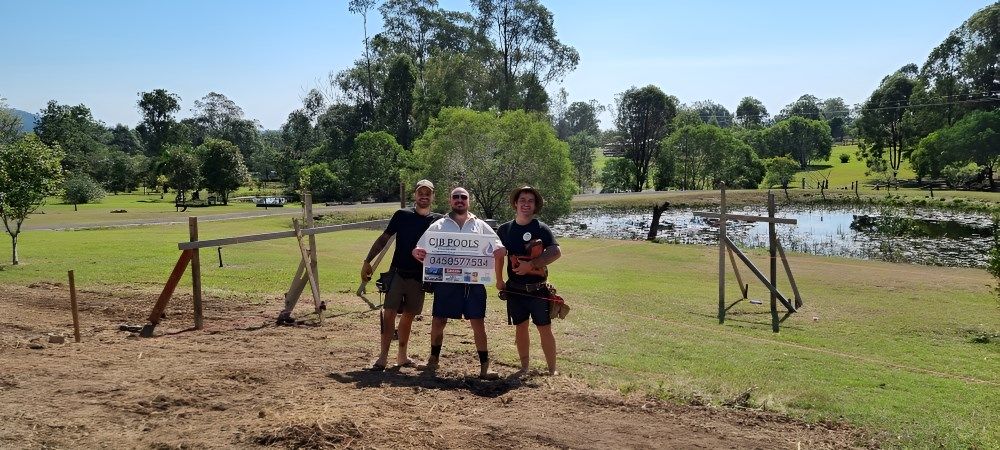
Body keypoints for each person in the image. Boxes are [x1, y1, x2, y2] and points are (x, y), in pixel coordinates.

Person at [411, 187, 505, 379]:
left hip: (474, 283)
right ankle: (433, 360)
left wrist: (500, 250)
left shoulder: (481, 225)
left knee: (478, 323)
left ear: (469, 201)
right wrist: (417, 252)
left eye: (463, 197)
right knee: (438, 321)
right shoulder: (438, 225)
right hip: (447, 283)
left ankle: (485, 366)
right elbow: (420, 248)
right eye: (456, 197)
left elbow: (498, 247)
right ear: (450, 201)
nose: (460, 200)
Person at [360, 179, 442, 370]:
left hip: (419, 276)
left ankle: (402, 356)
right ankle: (383, 357)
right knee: (388, 313)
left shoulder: (438, 221)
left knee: (408, 316)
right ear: (415, 195)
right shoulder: (402, 215)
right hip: (398, 272)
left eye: (427, 193)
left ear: (433, 196)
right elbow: (384, 238)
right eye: (420, 192)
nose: (424, 196)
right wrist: (367, 260)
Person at [496, 186, 561, 376]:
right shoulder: (504, 230)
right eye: (522, 200)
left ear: (535, 206)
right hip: (515, 290)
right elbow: (499, 255)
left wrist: (531, 265)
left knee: (544, 329)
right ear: (515, 204)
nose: (526, 204)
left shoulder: (541, 228)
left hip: (538, 290)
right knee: (521, 327)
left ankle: (552, 370)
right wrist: (499, 280)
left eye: (530, 201)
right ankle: (524, 367)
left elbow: (556, 252)